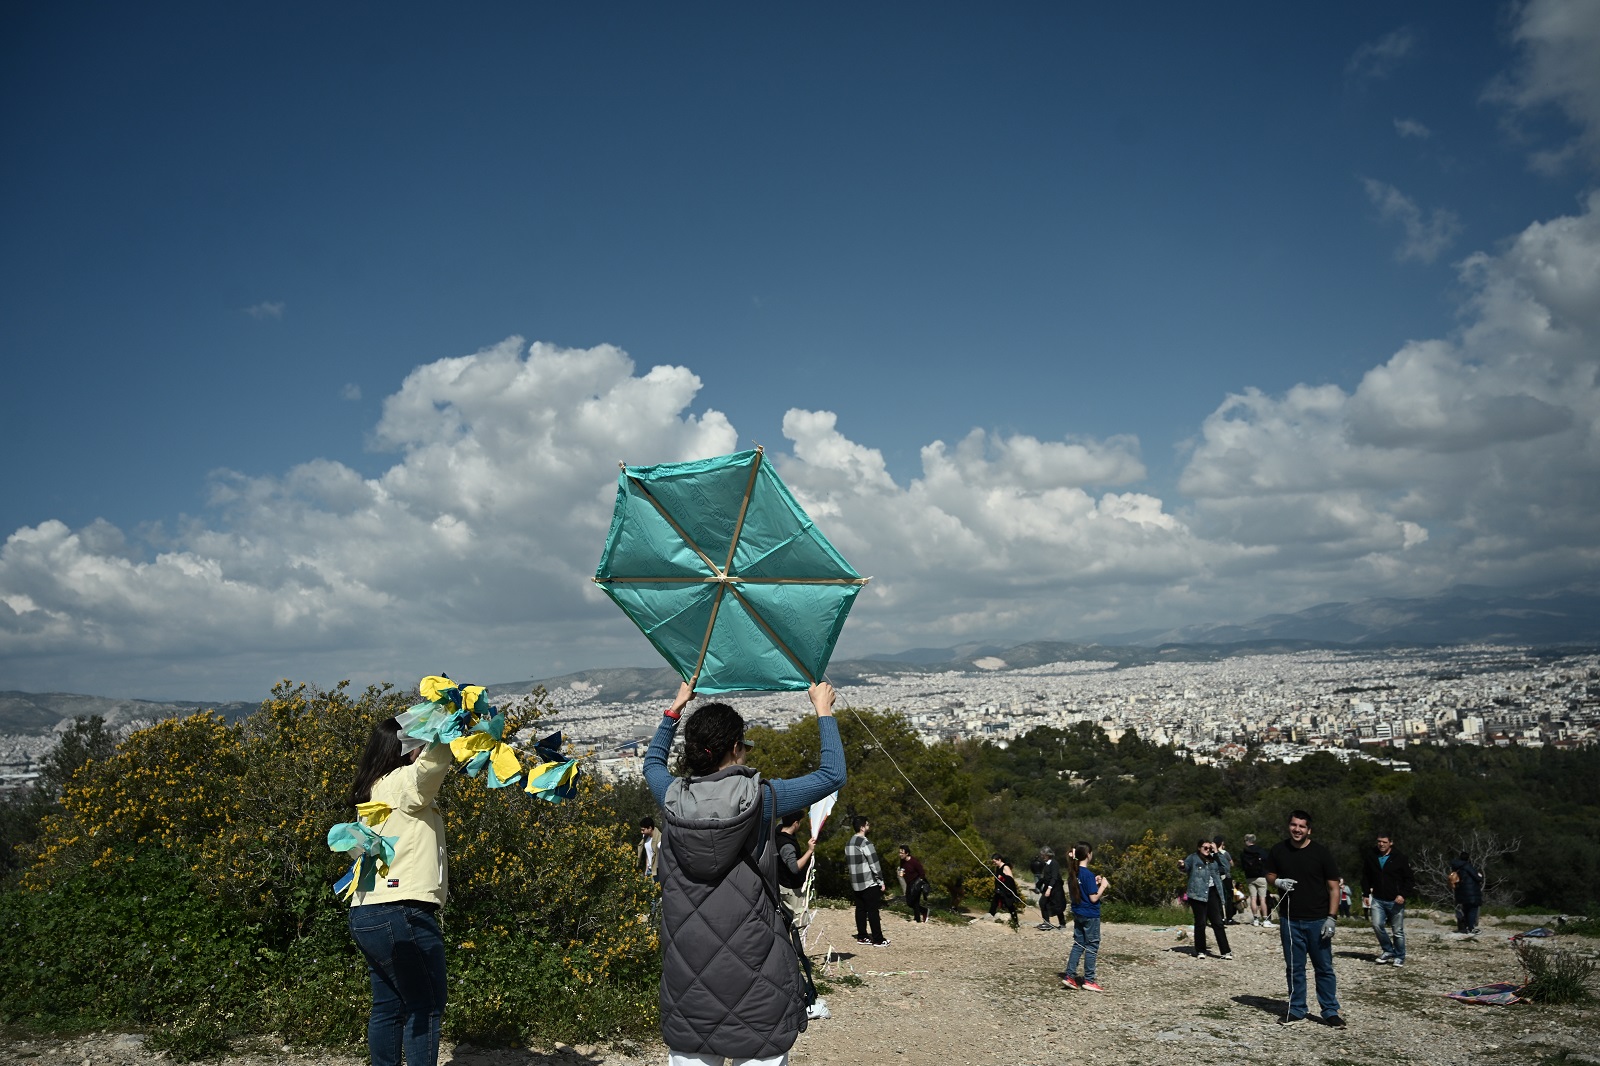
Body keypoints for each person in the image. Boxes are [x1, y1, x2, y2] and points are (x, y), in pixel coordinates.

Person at [646, 680, 846, 1066]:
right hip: (757, 976)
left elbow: (652, 763)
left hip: (688, 982)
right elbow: (832, 774)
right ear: (736, 748)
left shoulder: (669, 796)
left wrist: (676, 707)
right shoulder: (763, 800)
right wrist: (823, 708)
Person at [343, 715, 453, 1066]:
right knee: (426, 1005)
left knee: (389, 1005)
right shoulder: (402, 783)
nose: (419, 750)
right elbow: (430, 768)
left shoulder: (374, 788)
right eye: (415, 744)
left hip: (367, 913)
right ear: (403, 749)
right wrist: (446, 733)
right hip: (401, 911)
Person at [1266, 809, 1344, 1028]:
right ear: (1289, 825)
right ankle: (1297, 1009)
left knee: (1324, 967)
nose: (1297, 829)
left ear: (1309, 829)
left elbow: (1334, 887)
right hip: (1290, 920)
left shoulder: (1321, 853)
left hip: (1318, 920)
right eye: (1293, 825)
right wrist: (1278, 881)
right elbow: (1269, 874)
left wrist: (1332, 918)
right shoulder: (1278, 850)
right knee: (1294, 967)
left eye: (1301, 826)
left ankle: (1330, 1011)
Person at [1361, 831, 1415, 967]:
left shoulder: (1400, 858)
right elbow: (1366, 876)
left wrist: (1402, 894)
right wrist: (1366, 894)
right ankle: (1387, 950)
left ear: (1391, 843)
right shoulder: (1371, 856)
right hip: (1378, 898)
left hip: (1395, 900)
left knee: (1397, 931)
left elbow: (1409, 879)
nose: (1381, 844)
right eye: (1379, 841)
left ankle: (1400, 956)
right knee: (1376, 925)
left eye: (1384, 842)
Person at [1062, 842, 1110, 992]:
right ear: (1088, 854)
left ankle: (1069, 976)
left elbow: (1082, 890)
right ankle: (1089, 979)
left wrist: (1094, 884)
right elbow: (1093, 898)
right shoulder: (1087, 874)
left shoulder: (1073, 873)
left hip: (1078, 912)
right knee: (1092, 945)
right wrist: (1102, 886)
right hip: (1090, 914)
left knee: (1079, 943)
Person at [1180, 839, 1232, 959]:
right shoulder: (1193, 858)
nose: (1207, 850)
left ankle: (1225, 951)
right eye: (1205, 848)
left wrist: (1217, 852)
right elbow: (1185, 867)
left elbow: (1226, 867)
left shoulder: (1214, 860)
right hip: (1197, 894)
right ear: (1199, 848)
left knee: (1218, 923)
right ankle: (1201, 950)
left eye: (1209, 848)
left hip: (1212, 893)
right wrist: (1181, 865)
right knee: (1200, 923)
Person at [847, 815, 889, 946]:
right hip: (868, 882)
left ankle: (862, 936)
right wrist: (880, 881)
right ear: (862, 827)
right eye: (867, 824)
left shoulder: (849, 843)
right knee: (873, 911)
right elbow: (874, 864)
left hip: (855, 882)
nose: (868, 826)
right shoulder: (865, 843)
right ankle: (878, 939)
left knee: (860, 909)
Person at [775, 811, 817, 929]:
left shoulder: (777, 831)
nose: (800, 825)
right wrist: (809, 850)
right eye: (799, 823)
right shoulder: (787, 845)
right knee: (799, 923)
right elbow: (795, 868)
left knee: (785, 921)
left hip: (782, 886)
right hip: (791, 889)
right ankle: (796, 947)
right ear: (795, 823)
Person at [1449, 851, 1484, 935]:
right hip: (1471, 892)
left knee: (1465, 909)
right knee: (1472, 910)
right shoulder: (1467, 866)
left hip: (1460, 891)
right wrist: (1480, 875)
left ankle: (1464, 927)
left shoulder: (1456, 867)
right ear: (1468, 858)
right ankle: (1471, 928)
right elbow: (1478, 878)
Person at [1240, 833, 1271, 926]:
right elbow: (1267, 861)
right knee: (1262, 899)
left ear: (1246, 841)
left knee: (1253, 898)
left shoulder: (1244, 852)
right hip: (1261, 877)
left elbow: (1242, 865)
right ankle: (1265, 919)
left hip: (1250, 877)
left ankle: (1256, 919)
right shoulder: (1261, 850)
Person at [1036, 846, 1066, 930]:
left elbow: (1054, 877)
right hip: (1048, 887)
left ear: (1048, 855)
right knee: (1043, 902)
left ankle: (1062, 923)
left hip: (1055, 888)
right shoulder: (1046, 864)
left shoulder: (1054, 863)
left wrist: (1049, 888)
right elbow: (1045, 877)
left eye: (1043, 855)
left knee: (1057, 905)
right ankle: (1046, 922)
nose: (1042, 856)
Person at [898, 844, 930, 923]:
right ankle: (924, 910)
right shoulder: (902, 861)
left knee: (915, 901)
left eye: (902, 853)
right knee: (909, 902)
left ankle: (917, 919)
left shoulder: (914, 861)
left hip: (916, 882)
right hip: (909, 882)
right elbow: (903, 869)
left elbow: (922, 873)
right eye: (899, 853)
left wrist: (919, 883)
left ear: (907, 853)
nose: (900, 854)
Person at [1214, 836, 1239, 924]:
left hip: (1217, 877)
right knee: (1229, 897)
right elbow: (1231, 864)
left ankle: (1220, 917)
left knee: (1219, 897)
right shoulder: (1225, 853)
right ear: (1222, 843)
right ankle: (1229, 917)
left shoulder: (1212, 854)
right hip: (1226, 877)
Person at [989, 854, 1020, 922]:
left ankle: (1015, 921)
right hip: (999, 889)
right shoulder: (998, 867)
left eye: (995, 862)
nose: (994, 863)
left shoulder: (1005, 867)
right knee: (994, 902)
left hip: (1006, 890)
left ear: (999, 860)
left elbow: (1011, 879)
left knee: (1009, 905)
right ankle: (990, 916)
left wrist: (1003, 877)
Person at [638, 816, 660, 880]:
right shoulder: (645, 837)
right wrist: (646, 869)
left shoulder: (659, 841)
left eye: (643, 830)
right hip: (649, 871)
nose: (642, 832)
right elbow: (648, 853)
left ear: (650, 828)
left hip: (657, 871)